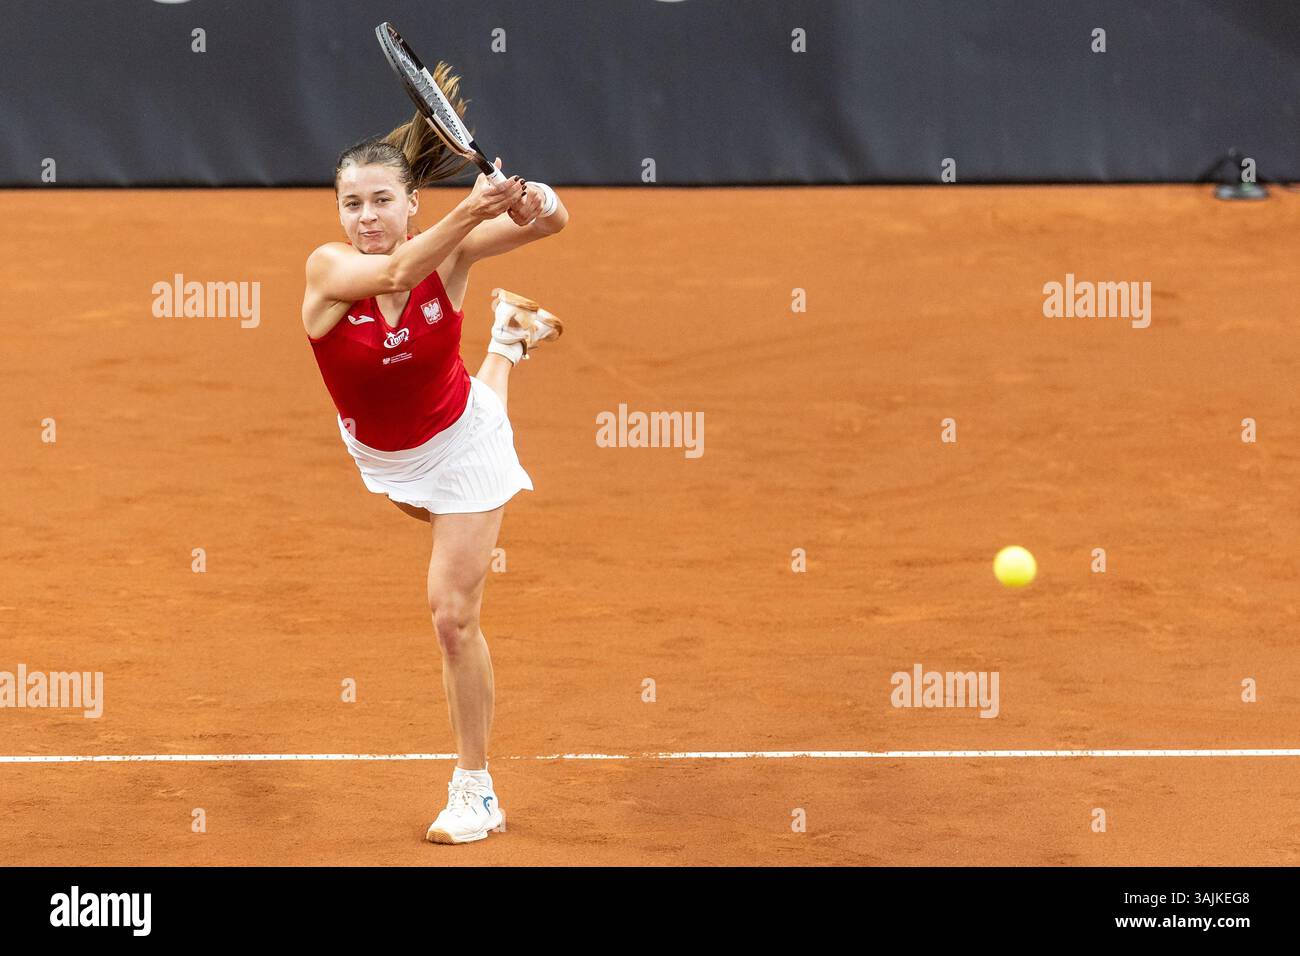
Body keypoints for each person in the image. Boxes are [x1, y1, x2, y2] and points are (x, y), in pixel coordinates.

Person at [300, 61, 568, 844]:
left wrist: (533, 199)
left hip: (464, 445)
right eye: (352, 203)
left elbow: (551, 226)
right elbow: (390, 270)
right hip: (383, 458)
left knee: (453, 616)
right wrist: (470, 213)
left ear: (410, 204)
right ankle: (509, 342)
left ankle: (474, 788)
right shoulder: (328, 269)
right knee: (418, 509)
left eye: (382, 200)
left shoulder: (449, 256)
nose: (366, 215)